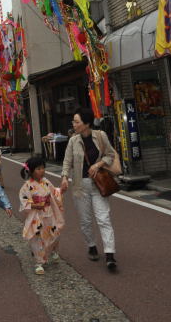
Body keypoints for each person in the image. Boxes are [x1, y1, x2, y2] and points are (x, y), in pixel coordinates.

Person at [60, 107, 117, 270]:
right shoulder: (73, 140)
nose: (74, 124)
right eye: (74, 121)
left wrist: (98, 164)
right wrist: (64, 177)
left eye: (76, 121)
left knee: (104, 218)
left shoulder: (100, 136)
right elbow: (67, 161)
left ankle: (110, 255)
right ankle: (91, 246)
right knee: (85, 221)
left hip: (98, 184)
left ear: (86, 124)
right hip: (80, 186)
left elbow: (110, 154)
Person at [19, 156, 64, 275]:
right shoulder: (27, 186)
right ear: (31, 171)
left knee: (54, 234)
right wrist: (34, 205)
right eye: (38, 169)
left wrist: (61, 191)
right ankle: (39, 262)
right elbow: (24, 200)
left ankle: (53, 250)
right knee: (37, 238)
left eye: (43, 168)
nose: (42, 171)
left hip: (49, 213)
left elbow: (54, 193)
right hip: (36, 216)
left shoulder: (46, 182)